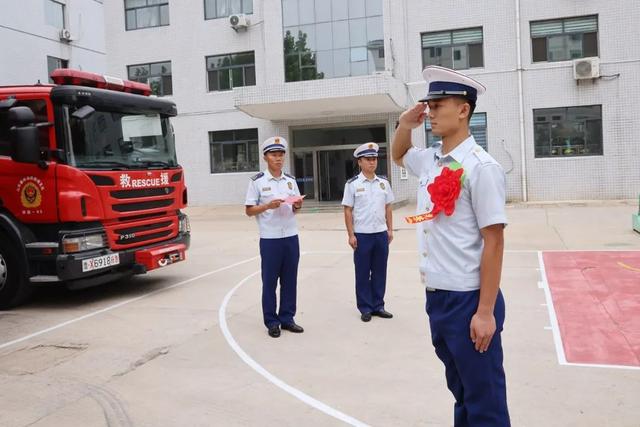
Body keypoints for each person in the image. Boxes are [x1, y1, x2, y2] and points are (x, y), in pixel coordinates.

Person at [391, 65, 510, 426]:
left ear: (464, 109)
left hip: (469, 299)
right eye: (428, 104)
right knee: (461, 391)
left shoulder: (481, 167)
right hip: (438, 297)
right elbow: (398, 154)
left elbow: (494, 240)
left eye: (438, 103)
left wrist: (486, 311)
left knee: (484, 401)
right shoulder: (431, 160)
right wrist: (404, 124)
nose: (430, 111)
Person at [245, 136, 304, 338]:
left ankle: (287, 318)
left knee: (290, 280)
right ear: (265, 157)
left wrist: (297, 205)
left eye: (281, 155)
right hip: (270, 238)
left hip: (290, 236)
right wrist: (267, 206)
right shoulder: (257, 182)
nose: (278, 159)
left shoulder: (290, 181)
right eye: (273, 155)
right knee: (270, 281)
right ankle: (271, 321)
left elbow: (296, 207)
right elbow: (249, 210)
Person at [341, 142, 395, 322]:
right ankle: (365, 307)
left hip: (380, 233)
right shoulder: (353, 184)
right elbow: (348, 210)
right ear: (360, 162)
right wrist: (351, 234)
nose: (372, 162)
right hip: (362, 235)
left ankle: (378, 305)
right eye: (368, 159)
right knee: (363, 272)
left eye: (374, 159)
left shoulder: (383, 183)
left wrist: (389, 229)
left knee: (380, 271)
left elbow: (388, 207)